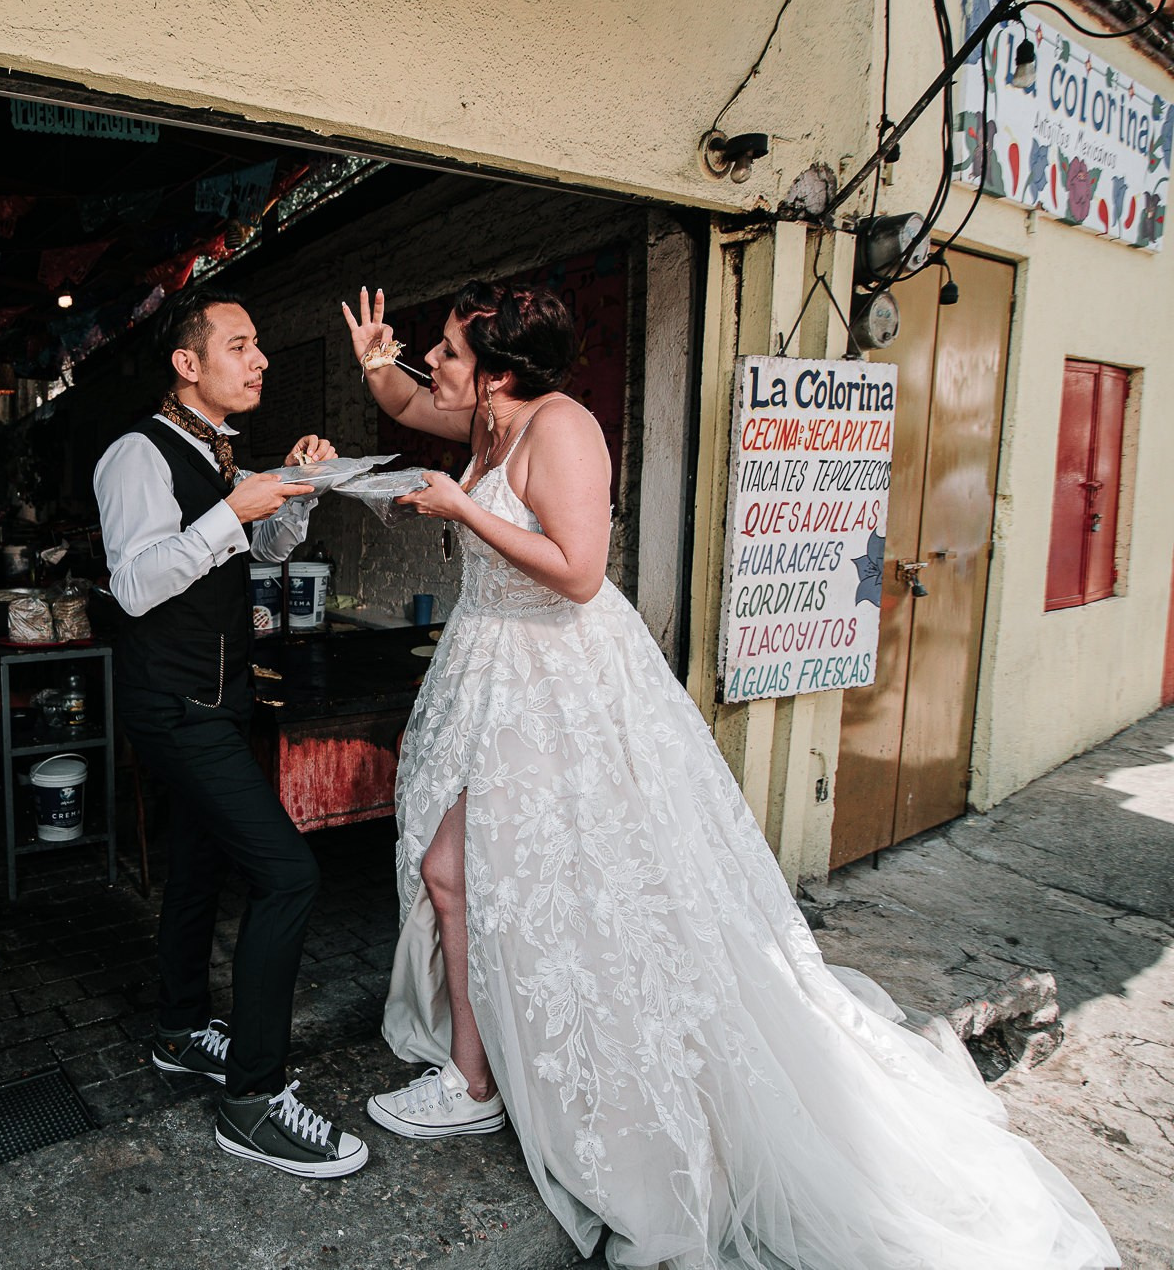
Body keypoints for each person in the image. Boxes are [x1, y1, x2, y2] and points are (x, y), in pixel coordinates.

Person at [343, 283, 1118, 1267]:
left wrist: (459, 505)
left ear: (495, 367)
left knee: (549, 877)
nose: (431, 364)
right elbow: (408, 407)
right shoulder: (484, 415)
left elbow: (579, 570)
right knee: (453, 871)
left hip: (559, 679)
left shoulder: (561, 428)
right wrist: (375, 364)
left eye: (444, 352)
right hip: (490, 669)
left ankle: (529, 1071)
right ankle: (476, 1071)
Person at [94, 287, 368, 1179]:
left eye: (258, 347)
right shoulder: (138, 455)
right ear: (188, 363)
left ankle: (181, 1029)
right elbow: (135, 585)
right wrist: (232, 510)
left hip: (220, 697)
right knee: (288, 874)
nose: (258, 361)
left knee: (201, 865)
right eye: (241, 346)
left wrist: (295, 491)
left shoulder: (218, 454)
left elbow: (270, 550)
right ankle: (254, 1098)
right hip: (174, 703)